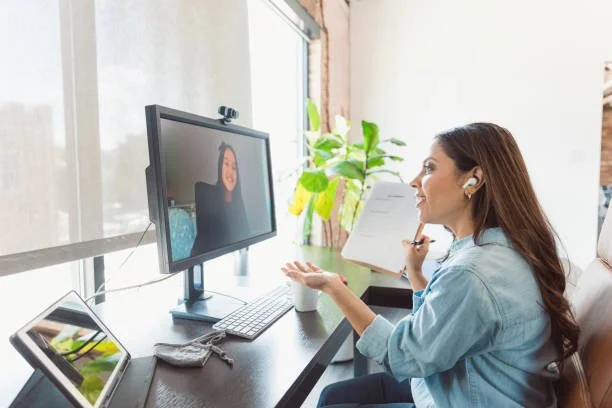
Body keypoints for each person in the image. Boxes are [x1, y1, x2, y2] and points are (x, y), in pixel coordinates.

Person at [282, 123, 579, 408]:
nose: (414, 181)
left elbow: (403, 354)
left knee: (331, 401)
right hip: (460, 384)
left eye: (429, 168)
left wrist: (332, 287)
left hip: (466, 396)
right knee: (333, 395)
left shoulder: (472, 272)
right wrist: (414, 272)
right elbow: (441, 329)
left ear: (473, 180)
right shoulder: (500, 248)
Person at [191, 142, 249, 255]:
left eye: (234, 167)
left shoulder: (238, 204)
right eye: (226, 164)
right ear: (219, 168)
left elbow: (246, 238)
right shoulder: (209, 199)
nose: (230, 172)